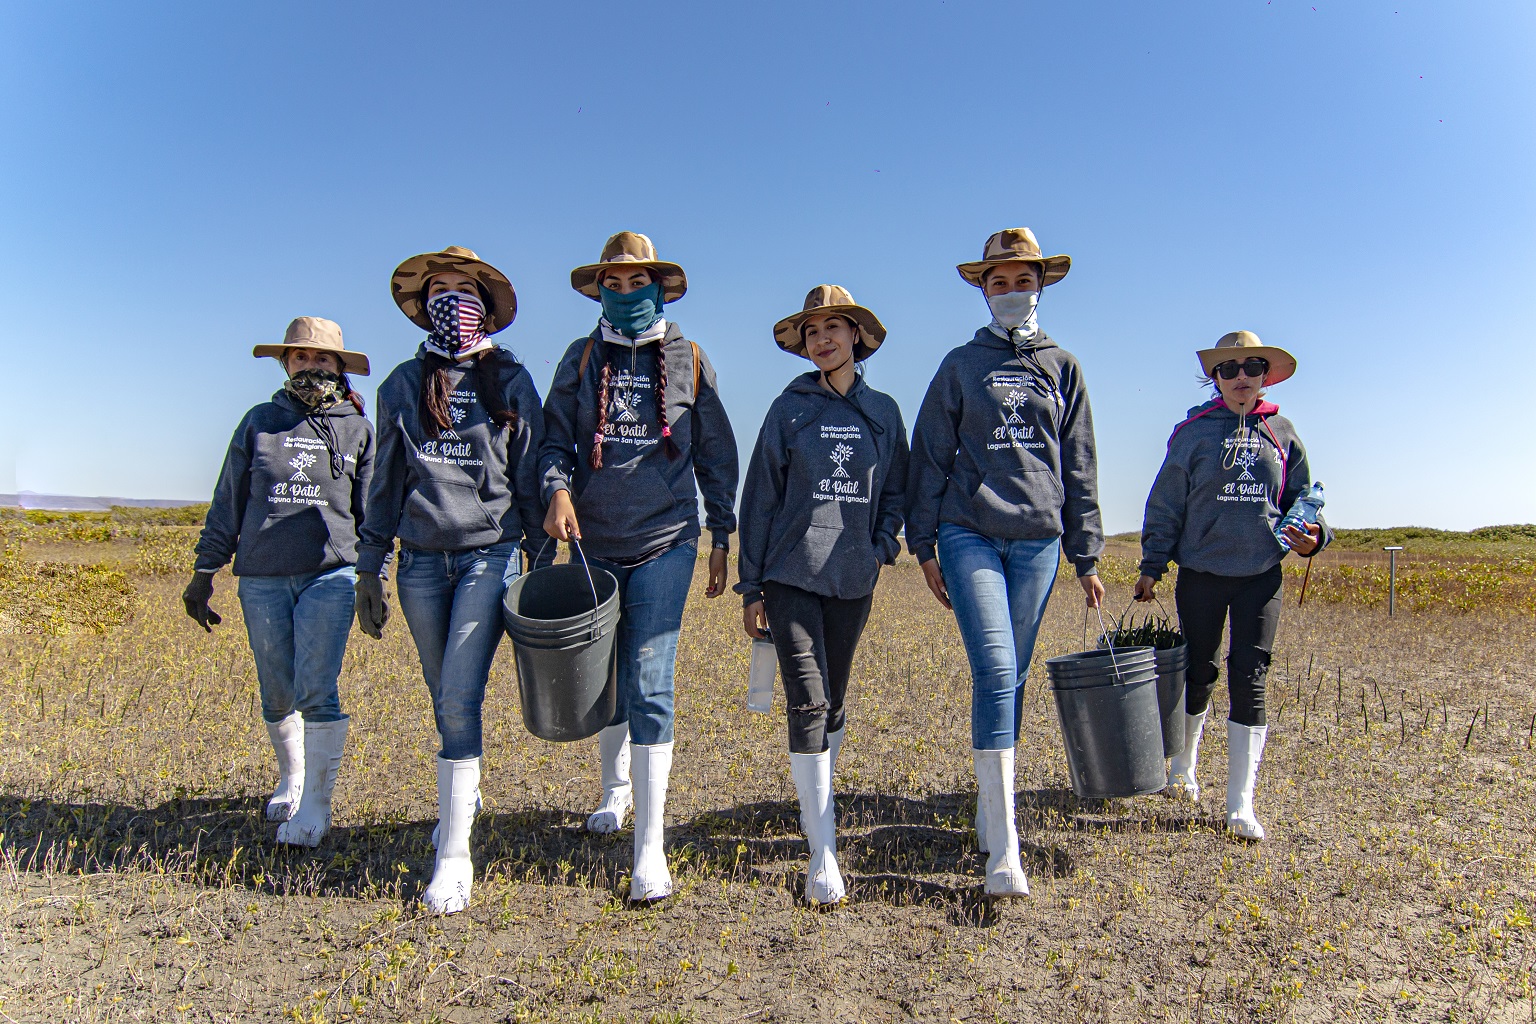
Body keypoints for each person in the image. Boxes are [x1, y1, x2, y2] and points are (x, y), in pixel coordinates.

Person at [906, 228, 1105, 897]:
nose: (1011, 291)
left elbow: (1077, 463)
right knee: (994, 665)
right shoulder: (961, 365)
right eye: (999, 281)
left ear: (1039, 286)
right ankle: (1005, 850)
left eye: (1023, 280)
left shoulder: (1064, 366)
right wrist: (924, 544)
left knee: (1013, 676)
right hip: (971, 532)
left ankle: (994, 818)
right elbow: (929, 455)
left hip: (1040, 540)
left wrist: (1087, 553)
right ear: (982, 289)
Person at [541, 231, 739, 902]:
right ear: (599, 289)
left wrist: (722, 534)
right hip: (594, 539)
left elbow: (716, 451)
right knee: (610, 676)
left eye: (636, 284)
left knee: (652, 674)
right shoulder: (580, 356)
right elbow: (553, 439)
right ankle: (614, 792)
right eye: (613, 284)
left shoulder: (689, 357)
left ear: (659, 288)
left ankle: (649, 849)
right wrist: (558, 489)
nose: (625, 293)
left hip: (668, 538)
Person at [354, 246, 546, 914]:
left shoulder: (512, 380)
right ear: (422, 304)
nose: (452, 298)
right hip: (420, 561)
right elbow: (384, 483)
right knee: (443, 695)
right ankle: (463, 802)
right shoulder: (403, 385)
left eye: (466, 288)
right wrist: (370, 566)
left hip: (489, 554)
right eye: (440, 288)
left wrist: (541, 562)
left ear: (486, 305)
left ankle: (455, 857)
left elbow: (529, 474)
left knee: (461, 694)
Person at [736, 285, 908, 905]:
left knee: (834, 700)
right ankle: (823, 850)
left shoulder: (884, 413)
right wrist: (751, 585)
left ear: (856, 337)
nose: (823, 339)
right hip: (789, 575)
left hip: (852, 578)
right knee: (807, 700)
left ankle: (816, 809)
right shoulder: (788, 410)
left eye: (834, 327)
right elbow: (759, 499)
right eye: (812, 331)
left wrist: (883, 544)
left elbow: (896, 494)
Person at [184, 317, 374, 848]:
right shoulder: (259, 422)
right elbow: (228, 500)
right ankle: (291, 778)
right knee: (276, 688)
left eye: (322, 359)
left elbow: (372, 512)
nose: (311, 366)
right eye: (301, 358)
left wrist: (372, 576)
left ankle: (316, 804)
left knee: (317, 686)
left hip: (330, 574)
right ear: (285, 363)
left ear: (339, 366)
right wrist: (204, 573)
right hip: (263, 574)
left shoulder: (357, 428)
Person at [1133, 331, 1330, 840]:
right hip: (1201, 573)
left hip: (1260, 575)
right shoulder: (1192, 433)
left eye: (1253, 366)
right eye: (1229, 368)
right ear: (1215, 378)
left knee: (1251, 673)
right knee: (1198, 670)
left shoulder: (1283, 434)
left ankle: (1240, 803)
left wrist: (1314, 537)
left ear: (1266, 375)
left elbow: (1304, 500)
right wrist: (1152, 563)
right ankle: (1183, 767)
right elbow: (1167, 501)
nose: (1241, 376)